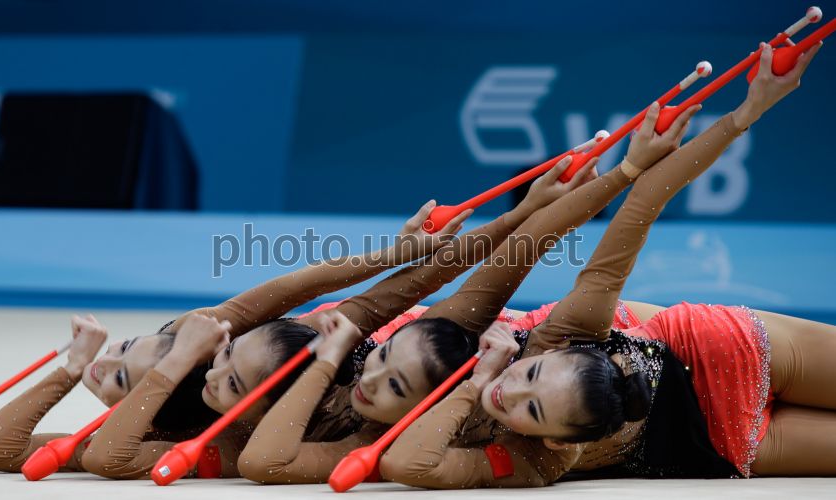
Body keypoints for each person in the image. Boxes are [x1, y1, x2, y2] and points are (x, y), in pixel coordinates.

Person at [381, 41, 831, 488]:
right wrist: (476, 383)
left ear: (552, 354)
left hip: (716, 351)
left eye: (532, 373)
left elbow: (641, 206)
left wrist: (747, 111)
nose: (508, 390)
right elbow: (406, 463)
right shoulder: (536, 459)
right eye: (533, 408)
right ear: (556, 441)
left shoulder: (562, 332)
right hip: (719, 444)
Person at [237, 93, 700, 484]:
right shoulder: (385, 426)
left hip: (644, 349)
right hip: (598, 393)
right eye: (231, 376)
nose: (369, 379)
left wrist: (619, 173)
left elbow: (500, 262)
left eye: (233, 368)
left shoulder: (381, 349)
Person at [71, 157, 597, 479]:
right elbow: (96, 453)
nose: (107, 361)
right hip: (443, 373)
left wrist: (399, 251)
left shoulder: (255, 342)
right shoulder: (222, 428)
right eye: (122, 382)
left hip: (431, 343)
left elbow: (326, 288)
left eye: (124, 351)